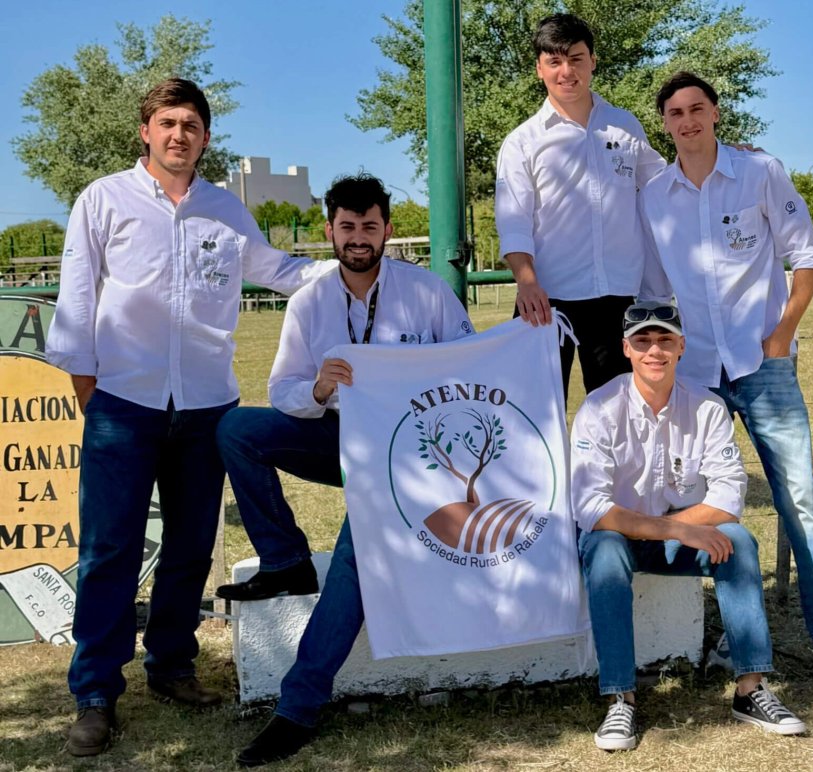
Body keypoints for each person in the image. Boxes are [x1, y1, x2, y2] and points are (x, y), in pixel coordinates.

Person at [45, 78, 335, 758]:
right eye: (168, 122)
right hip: (122, 403)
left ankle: (172, 667)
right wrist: (95, 394)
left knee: (189, 548)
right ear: (145, 130)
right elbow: (77, 302)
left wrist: (358, 263)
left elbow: (281, 270)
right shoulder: (103, 201)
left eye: (192, 125)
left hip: (207, 405)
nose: (180, 134)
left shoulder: (225, 212)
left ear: (206, 138)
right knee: (109, 550)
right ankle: (94, 692)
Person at [212, 173, 474, 767]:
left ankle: (297, 707)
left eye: (371, 226)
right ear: (330, 230)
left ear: (387, 229)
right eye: (348, 227)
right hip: (338, 437)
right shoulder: (310, 300)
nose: (359, 238)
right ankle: (285, 562)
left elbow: (468, 369)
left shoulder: (428, 292)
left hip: (407, 456)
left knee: (359, 551)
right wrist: (321, 388)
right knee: (235, 430)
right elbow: (281, 390)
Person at [639, 71, 813, 689]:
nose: (687, 121)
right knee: (703, 506)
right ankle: (730, 637)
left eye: (697, 109)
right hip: (697, 376)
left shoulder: (760, 172)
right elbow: (654, 292)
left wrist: (780, 336)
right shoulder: (655, 194)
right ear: (665, 123)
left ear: (716, 113)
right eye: (675, 113)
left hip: (763, 367)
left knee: (800, 499)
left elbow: (807, 255)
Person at [572, 301, 806, 751]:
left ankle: (750, 689)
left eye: (664, 340)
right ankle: (621, 697)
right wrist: (676, 529)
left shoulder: (708, 407)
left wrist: (674, 529)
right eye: (642, 341)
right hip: (619, 539)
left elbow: (729, 497)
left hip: (674, 540)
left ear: (681, 346)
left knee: (737, 540)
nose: (653, 351)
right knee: (602, 549)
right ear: (626, 349)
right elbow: (592, 510)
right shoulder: (599, 407)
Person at [494, 13, 666, 400]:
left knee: (618, 416)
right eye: (554, 61)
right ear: (539, 68)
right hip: (545, 302)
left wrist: (717, 154)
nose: (566, 71)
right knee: (532, 413)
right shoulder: (521, 141)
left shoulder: (625, 126)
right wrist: (527, 282)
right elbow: (513, 219)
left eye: (575, 58)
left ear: (593, 61)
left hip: (618, 297)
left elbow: (665, 186)